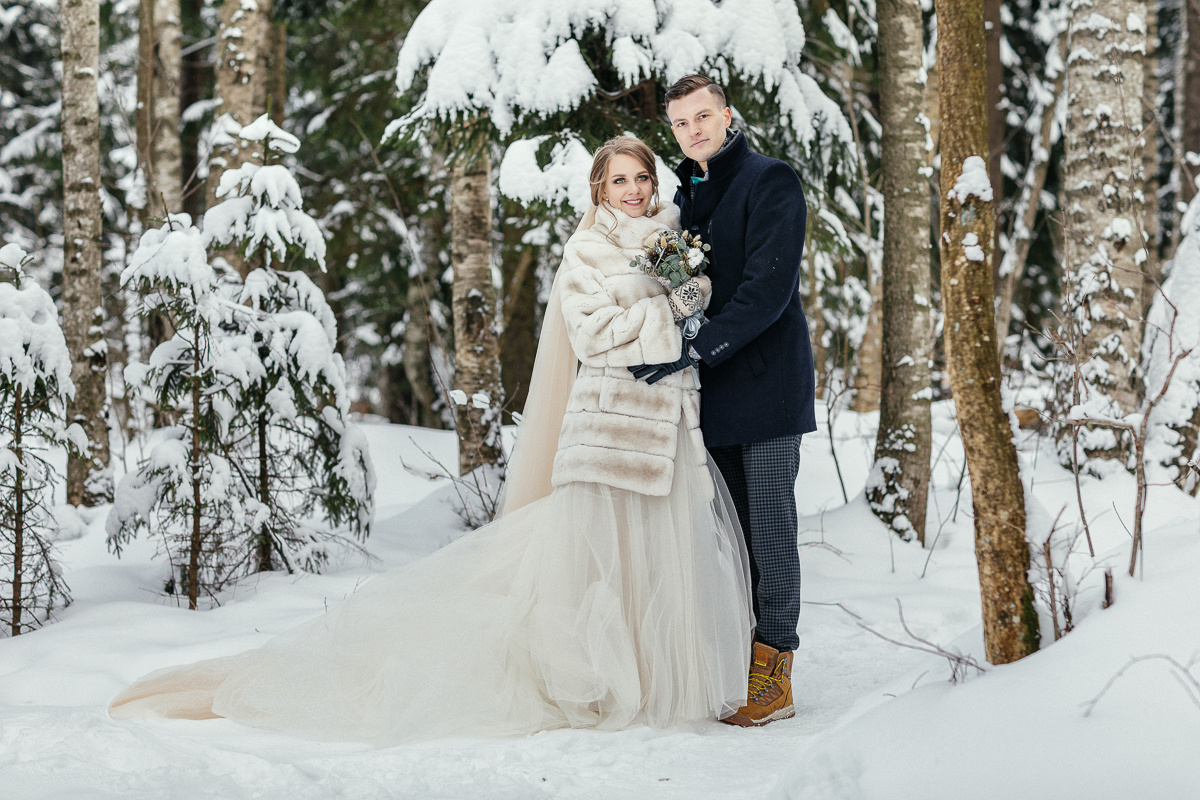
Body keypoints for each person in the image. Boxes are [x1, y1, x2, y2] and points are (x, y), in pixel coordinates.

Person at [108, 136, 755, 744]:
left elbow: (691, 312)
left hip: (666, 426)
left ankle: (655, 685)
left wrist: (690, 294)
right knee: (602, 565)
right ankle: (600, 682)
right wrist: (668, 312)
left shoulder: (672, 239)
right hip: (609, 428)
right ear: (599, 187)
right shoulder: (587, 250)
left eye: (641, 177)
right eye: (620, 180)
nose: (634, 189)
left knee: (657, 560)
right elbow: (592, 336)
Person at [631, 75, 815, 727]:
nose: (694, 131)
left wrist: (702, 345)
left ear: (727, 115)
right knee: (732, 536)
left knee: (769, 526)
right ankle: (742, 656)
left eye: (703, 117)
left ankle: (776, 673)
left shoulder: (771, 180)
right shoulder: (687, 197)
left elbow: (768, 288)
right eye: (681, 124)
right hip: (713, 393)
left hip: (766, 383)